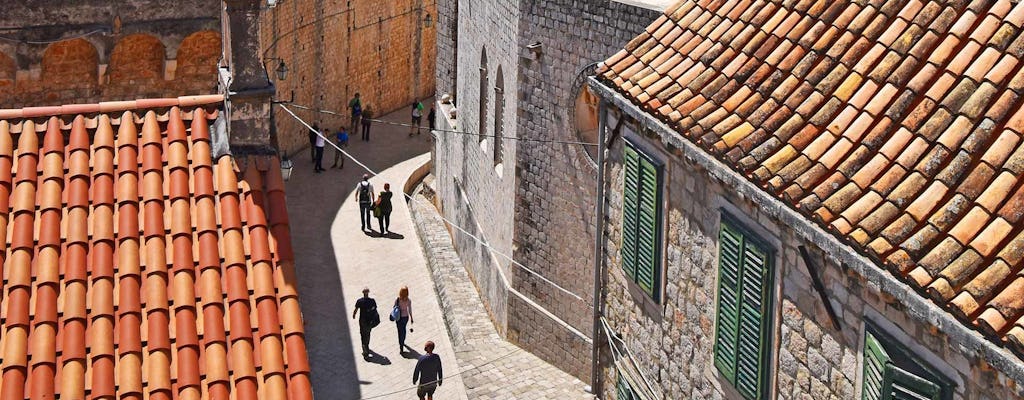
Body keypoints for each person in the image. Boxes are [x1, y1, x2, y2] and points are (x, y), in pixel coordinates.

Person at [352, 287, 379, 357]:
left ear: (363, 293)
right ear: (368, 293)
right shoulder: (372, 301)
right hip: (370, 321)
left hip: (362, 321)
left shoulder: (360, 301)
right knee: (368, 333)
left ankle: (365, 349)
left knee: (362, 334)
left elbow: (356, 309)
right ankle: (366, 346)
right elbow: (375, 309)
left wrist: (354, 315)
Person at [393, 286, 414, 352]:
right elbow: (410, 309)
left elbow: (394, 307)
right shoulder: (408, 300)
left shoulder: (398, 299)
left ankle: (401, 345)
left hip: (398, 317)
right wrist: (411, 317)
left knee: (399, 331)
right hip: (405, 317)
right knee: (403, 329)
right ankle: (403, 340)